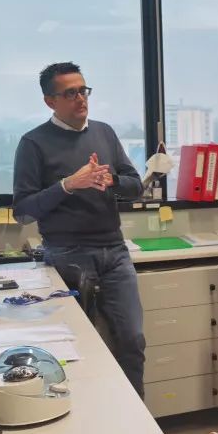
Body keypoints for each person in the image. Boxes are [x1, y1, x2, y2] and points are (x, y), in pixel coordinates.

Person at [13, 62, 146, 395]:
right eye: (70, 93)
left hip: (114, 253)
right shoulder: (33, 143)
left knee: (132, 340)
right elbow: (23, 211)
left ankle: (136, 417)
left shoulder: (104, 133)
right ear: (50, 101)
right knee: (77, 349)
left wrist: (112, 180)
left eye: (83, 90)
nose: (80, 98)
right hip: (67, 257)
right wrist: (68, 185)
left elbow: (135, 186)